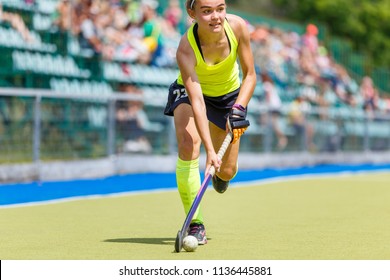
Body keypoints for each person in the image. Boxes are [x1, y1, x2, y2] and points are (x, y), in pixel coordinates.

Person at [164, 0, 256, 245]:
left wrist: (239, 107)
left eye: (220, 9)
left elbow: (250, 75)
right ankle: (196, 224)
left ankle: (222, 177)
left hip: (228, 98)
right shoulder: (186, 48)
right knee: (188, 144)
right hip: (192, 93)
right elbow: (197, 102)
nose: (216, 17)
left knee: (227, 170)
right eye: (206, 11)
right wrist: (209, 151)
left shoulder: (237, 28)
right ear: (191, 12)